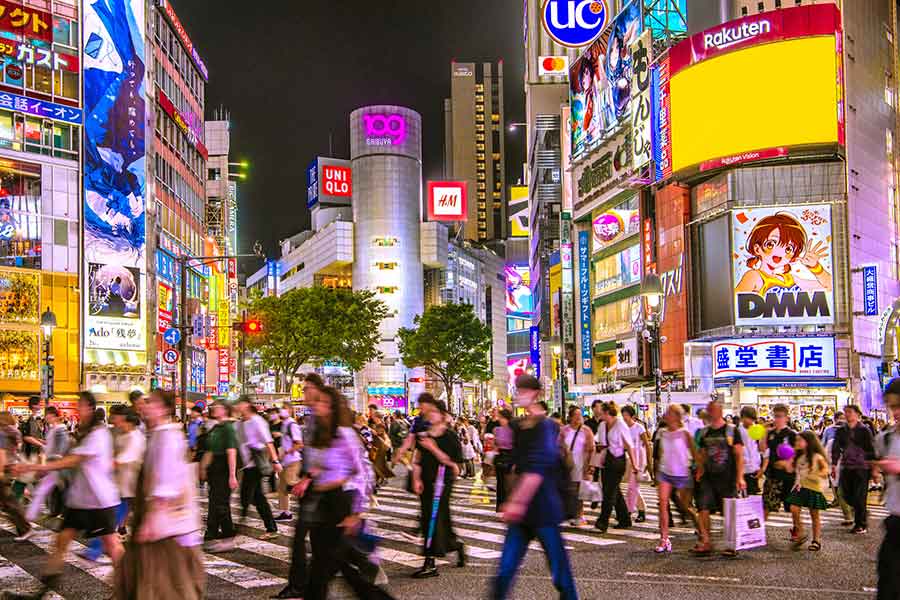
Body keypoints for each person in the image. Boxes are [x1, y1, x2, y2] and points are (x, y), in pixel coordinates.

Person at [14, 392, 123, 586]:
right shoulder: (83, 432)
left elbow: (75, 460)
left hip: (99, 499)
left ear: (90, 407)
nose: (78, 410)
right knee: (61, 542)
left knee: (112, 546)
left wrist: (37, 467)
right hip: (80, 499)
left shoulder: (98, 434)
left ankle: (131, 587)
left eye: (80, 405)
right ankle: (44, 589)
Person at [301, 386, 395, 600]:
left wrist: (356, 512)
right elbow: (318, 465)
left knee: (324, 567)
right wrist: (308, 479)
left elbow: (362, 472)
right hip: (320, 502)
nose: (319, 407)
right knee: (331, 564)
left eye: (325, 403)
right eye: (318, 402)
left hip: (340, 501)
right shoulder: (318, 433)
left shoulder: (345, 434)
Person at [491, 374, 577, 600]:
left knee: (560, 572)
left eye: (523, 391)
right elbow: (515, 465)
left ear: (535, 394)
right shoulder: (518, 426)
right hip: (523, 513)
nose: (518, 395)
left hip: (543, 507)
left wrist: (515, 503)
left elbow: (537, 469)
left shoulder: (547, 427)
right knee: (504, 571)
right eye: (517, 390)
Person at [115, 389, 205, 599]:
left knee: (167, 581)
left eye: (153, 403)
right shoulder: (158, 434)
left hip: (167, 525)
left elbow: (165, 481)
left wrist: (152, 519)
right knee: (164, 579)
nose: (147, 406)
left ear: (165, 409)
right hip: (166, 522)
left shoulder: (167, 436)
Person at [274, 372, 324, 600]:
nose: (302, 392)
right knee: (307, 536)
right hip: (312, 482)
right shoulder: (312, 417)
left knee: (323, 539)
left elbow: (325, 453)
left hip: (322, 485)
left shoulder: (323, 417)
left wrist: (307, 478)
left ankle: (302, 584)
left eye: (305, 389)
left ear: (316, 390)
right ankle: (300, 584)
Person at [81, 404, 145, 563]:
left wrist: (95, 466)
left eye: (114, 417)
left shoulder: (135, 438)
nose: (112, 420)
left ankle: (95, 551)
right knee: (110, 520)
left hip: (128, 487)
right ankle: (97, 551)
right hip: (118, 485)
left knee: (110, 520)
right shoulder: (122, 434)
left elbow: (119, 461)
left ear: (123, 418)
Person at [411, 400, 465, 578]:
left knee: (433, 519)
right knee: (434, 519)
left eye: (434, 412)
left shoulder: (449, 436)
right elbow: (417, 459)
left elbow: (454, 464)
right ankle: (455, 544)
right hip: (426, 481)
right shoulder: (424, 435)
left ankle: (430, 562)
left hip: (442, 482)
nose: (429, 415)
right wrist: (416, 478)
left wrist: (433, 448)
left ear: (442, 415)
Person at [692, 400, 745, 557]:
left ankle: (731, 544)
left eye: (713, 410)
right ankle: (706, 541)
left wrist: (740, 477)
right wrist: (700, 470)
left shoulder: (731, 431)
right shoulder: (704, 432)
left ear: (720, 411)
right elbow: (701, 453)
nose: (711, 413)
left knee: (728, 512)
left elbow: (739, 455)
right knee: (703, 508)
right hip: (708, 477)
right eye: (709, 410)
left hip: (727, 477)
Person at [654, 404, 698, 554]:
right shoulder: (662, 432)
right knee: (663, 505)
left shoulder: (685, 433)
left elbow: (694, 452)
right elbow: (660, 453)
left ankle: (701, 530)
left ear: (677, 416)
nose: (666, 415)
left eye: (669, 413)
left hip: (682, 474)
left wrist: (698, 470)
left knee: (686, 507)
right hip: (665, 472)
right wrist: (657, 469)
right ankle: (664, 539)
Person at [236, 396, 282, 539]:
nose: (238, 407)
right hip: (247, 465)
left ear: (247, 405)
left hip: (256, 464)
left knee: (246, 495)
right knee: (257, 497)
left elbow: (268, 442)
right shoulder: (240, 423)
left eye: (240, 404)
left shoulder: (257, 421)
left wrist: (275, 461)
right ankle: (271, 527)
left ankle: (239, 525)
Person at [594, 401, 639, 533]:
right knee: (613, 491)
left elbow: (629, 445)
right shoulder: (602, 425)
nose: (600, 415)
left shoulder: (620, 425)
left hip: (618, 461)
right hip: (607, 460)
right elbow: (599, 441)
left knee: (609, 492)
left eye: (602, 413)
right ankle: (624, 518)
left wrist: (635, 464)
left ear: (607, 413)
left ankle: (603, 520)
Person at [201, 402, 239, 553]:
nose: (213, 409)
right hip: (214, 470)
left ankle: (228, 537)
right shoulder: (216, 427)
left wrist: (232, 475)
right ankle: (210, 536)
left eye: (217, 406)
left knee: (221, 504)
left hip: (223, 469)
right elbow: (210, 450)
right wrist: (203, 467)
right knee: (214, 502)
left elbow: (231, 452)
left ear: (224, 410)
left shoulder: (228, 428)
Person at [874, 378, 900, 599]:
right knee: (888, 580)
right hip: (895, 520)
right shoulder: (886, 438)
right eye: (892, 406)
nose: (896, 412)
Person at [832, 404, 876, 534]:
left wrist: (873, 468)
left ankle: (860, 524)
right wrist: (834, 464)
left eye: (850, 412)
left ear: (857, 414)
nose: (847, 415)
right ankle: (861, 511)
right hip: (846, 466)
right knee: (846, 494)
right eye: (846, 412)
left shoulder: (864, 430)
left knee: (860, 495)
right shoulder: (841, 430)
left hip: (861, 467)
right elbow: (836, 447)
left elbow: (871, 449)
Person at [785, 430, 830, 551]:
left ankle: (816, 540)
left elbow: (826, 470)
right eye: (797, 440)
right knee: (793, 508)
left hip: (814, 487)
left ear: (809, 442)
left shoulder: (817, 457)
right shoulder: (798, 457)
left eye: (800, 440)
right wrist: (789, 458)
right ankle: (801, 532)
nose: (797, 442)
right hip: (800, 487)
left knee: (814, 514)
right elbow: (790, 469)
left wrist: (817, 473)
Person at [25, 406, 69, 523]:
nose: (46, 417)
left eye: (47, 415)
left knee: (46, 490)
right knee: (52, 490)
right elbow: (52, 446)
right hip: (53, 465)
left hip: (55, 465)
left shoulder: (60, 429)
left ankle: (28, 519)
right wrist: (41, 443)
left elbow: (60, 450)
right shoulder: (54, 429)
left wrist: (50, 463)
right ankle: (31, 518)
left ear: (53, 415)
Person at [0, 411, 30, 541]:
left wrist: (1, 471)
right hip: (13, 465)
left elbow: (1, 453)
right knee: (8, 501)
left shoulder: (2, 433)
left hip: (5, 468)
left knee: (9, 501)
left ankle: (25, 528)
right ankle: (24, 527)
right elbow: (17, 448)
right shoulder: (14, 432)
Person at [560, 405, 593, 526]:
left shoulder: (586, 430)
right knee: (569, 489)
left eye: (580, 415)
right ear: (571, 417)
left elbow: (591, 449)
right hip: (568, 463)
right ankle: (570, 513)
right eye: (576, 415)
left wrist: (590, 465)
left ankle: (579, 515)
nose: (579, 418)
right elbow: (559, 445)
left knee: (580, 490)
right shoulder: (564, 430)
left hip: (582, 462)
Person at [763, 404, 797, 518]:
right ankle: (757, 533)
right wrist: (764, 432)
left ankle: (798, 530)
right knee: (767, 505)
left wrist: (789, 464)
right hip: (772, 474)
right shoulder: (771, 433)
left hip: (788, 476)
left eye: (780, 416)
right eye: (775, 416)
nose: (777, 419)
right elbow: (762, 448)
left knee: (792, 508)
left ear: (786, 418)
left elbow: (798, 453)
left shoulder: (791, 434)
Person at [621, 406, 651, 523]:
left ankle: (630, 511)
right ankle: (640, 510)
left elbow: (647, 445)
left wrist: (649, 463)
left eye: (626, 416)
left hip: (639, 459)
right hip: (629, 459)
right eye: (623, 416)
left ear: (632, 416)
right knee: (632, 487)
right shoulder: (623, 428)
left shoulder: (639, 428)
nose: (624, 418)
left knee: (632, 487)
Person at [275, 407, 304, 522]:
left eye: (284, 408)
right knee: (282, 488)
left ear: (290, 410)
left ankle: (310, 501)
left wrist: (286, 452)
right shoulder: (284, 424)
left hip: (293, 461)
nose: (282, 411)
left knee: (291, 485)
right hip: (285, 461)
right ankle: (285, 512)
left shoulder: (292, 424)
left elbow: (299, 444)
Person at [738, 406, 764, 496]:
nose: (750, 421)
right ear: (742, 417)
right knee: (744, 495)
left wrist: (760, 466)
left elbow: (759, 449)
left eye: (752, 419)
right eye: (747, 418)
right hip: (743, 468)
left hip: (754, 467)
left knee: (753, 495)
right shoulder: (738, 431)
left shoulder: (757, 430)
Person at [493, 409, 514, 512]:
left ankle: (510, 506)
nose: (500, 420)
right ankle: (500, 506)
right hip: (500, 456)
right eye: (499, 417)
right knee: (500, 483)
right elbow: (495, 445)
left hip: (510, 457)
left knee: (509, 484)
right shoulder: (497, 429)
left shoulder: (513, 430)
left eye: (502, 418)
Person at [20, 396, 44, 462]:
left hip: (34, 451)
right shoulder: (30, 419)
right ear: (34, 405)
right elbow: (27, 437)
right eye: (40, 403)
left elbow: (34, 436)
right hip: (30, 452)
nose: (42, 405)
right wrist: (42, 444)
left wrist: (42, 441)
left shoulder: (34, 418)